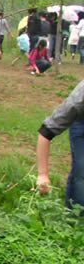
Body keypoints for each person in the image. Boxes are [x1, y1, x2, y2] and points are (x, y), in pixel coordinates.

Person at [37, 80, 84, 214]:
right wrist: (43, 174)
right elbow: (46, 131)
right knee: (81, 170)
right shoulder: (78, 99)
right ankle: (76, 216)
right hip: (82, 123)